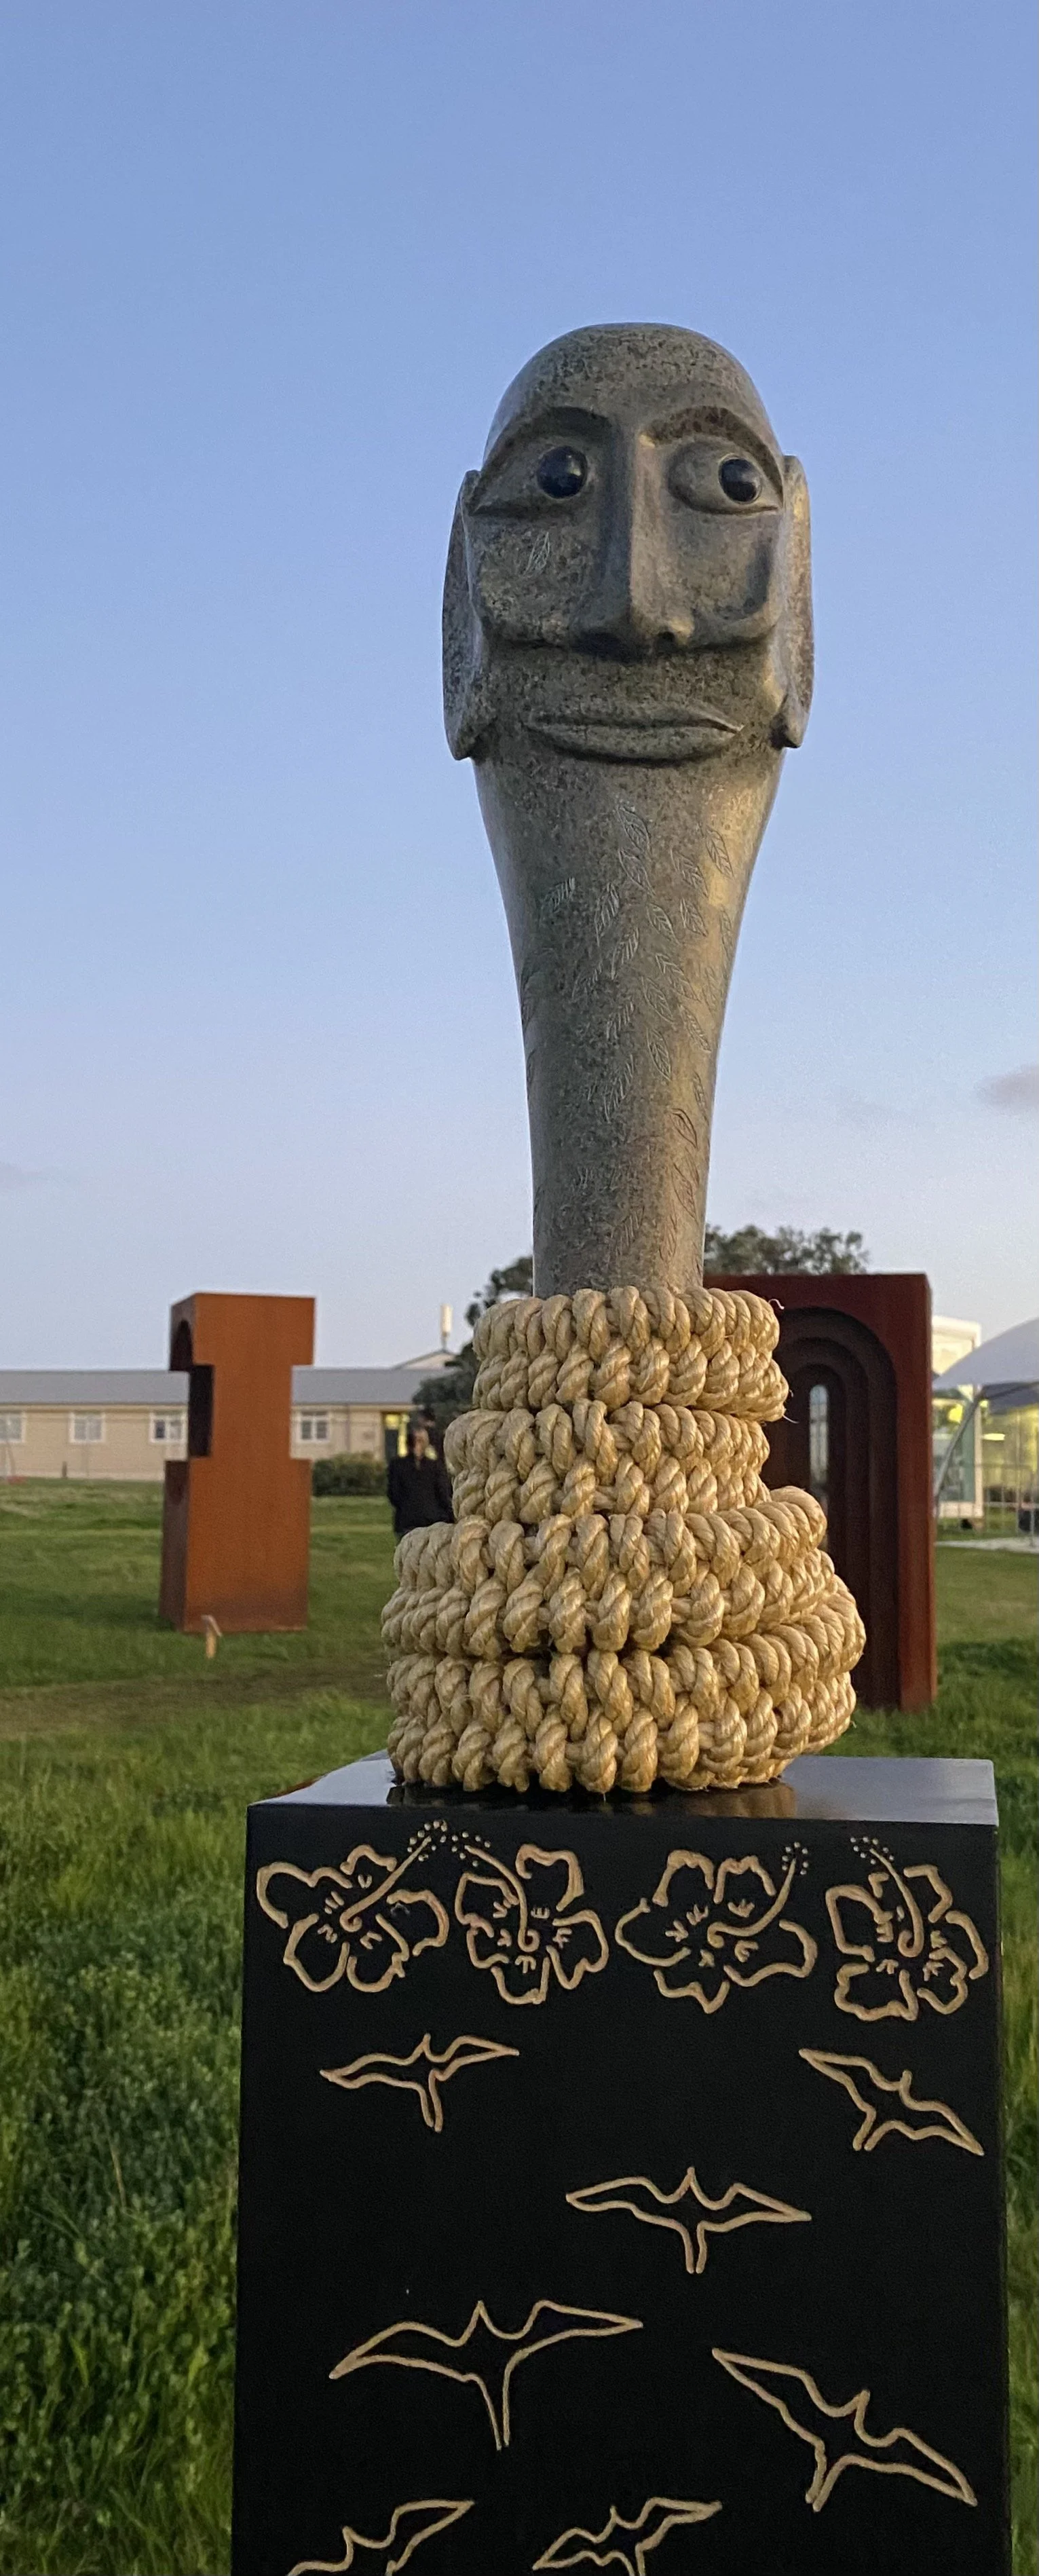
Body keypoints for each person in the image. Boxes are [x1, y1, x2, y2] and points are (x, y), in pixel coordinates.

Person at [386, 1419, 453, 1538]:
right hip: (432, 1521)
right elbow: (443, 1494)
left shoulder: (396, 1465)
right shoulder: (435, 1467)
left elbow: (393, 1494)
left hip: (406, 1521)